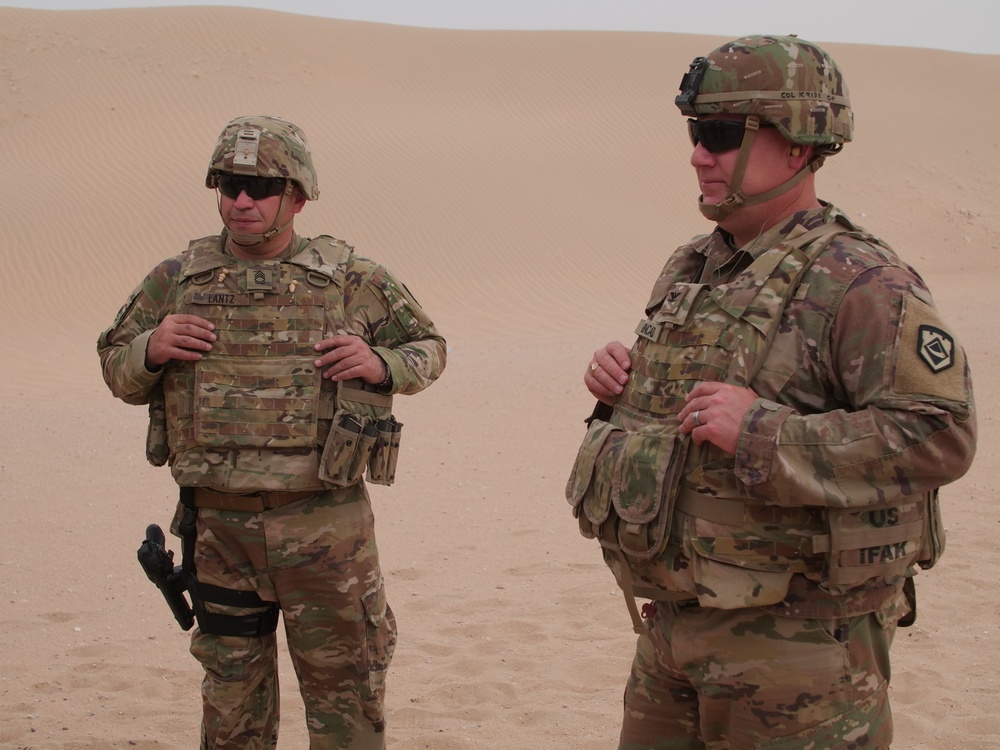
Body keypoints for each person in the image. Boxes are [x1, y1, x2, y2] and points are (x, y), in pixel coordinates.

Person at [566, 35, 976, 749]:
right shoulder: (694, 266)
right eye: (697, 133)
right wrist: (621, 387)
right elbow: (681, 426)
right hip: (672, 633)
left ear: (798, 144)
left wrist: (765, 433)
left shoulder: (861, 280)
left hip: (800, 659)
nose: (698, 155)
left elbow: (941, 435)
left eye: (722, 135)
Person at [98, 115, 446, 749]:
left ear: (298, 197)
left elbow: (429, 347)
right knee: (232, 714)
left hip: (325, 531)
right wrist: (151, 348)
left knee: (347, 705)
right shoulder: (178, 279)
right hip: (219, 534)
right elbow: (115, 366)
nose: (241, 201)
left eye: (260, 188)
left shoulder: (350, 277)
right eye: (229, 185)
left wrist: (382, 363)